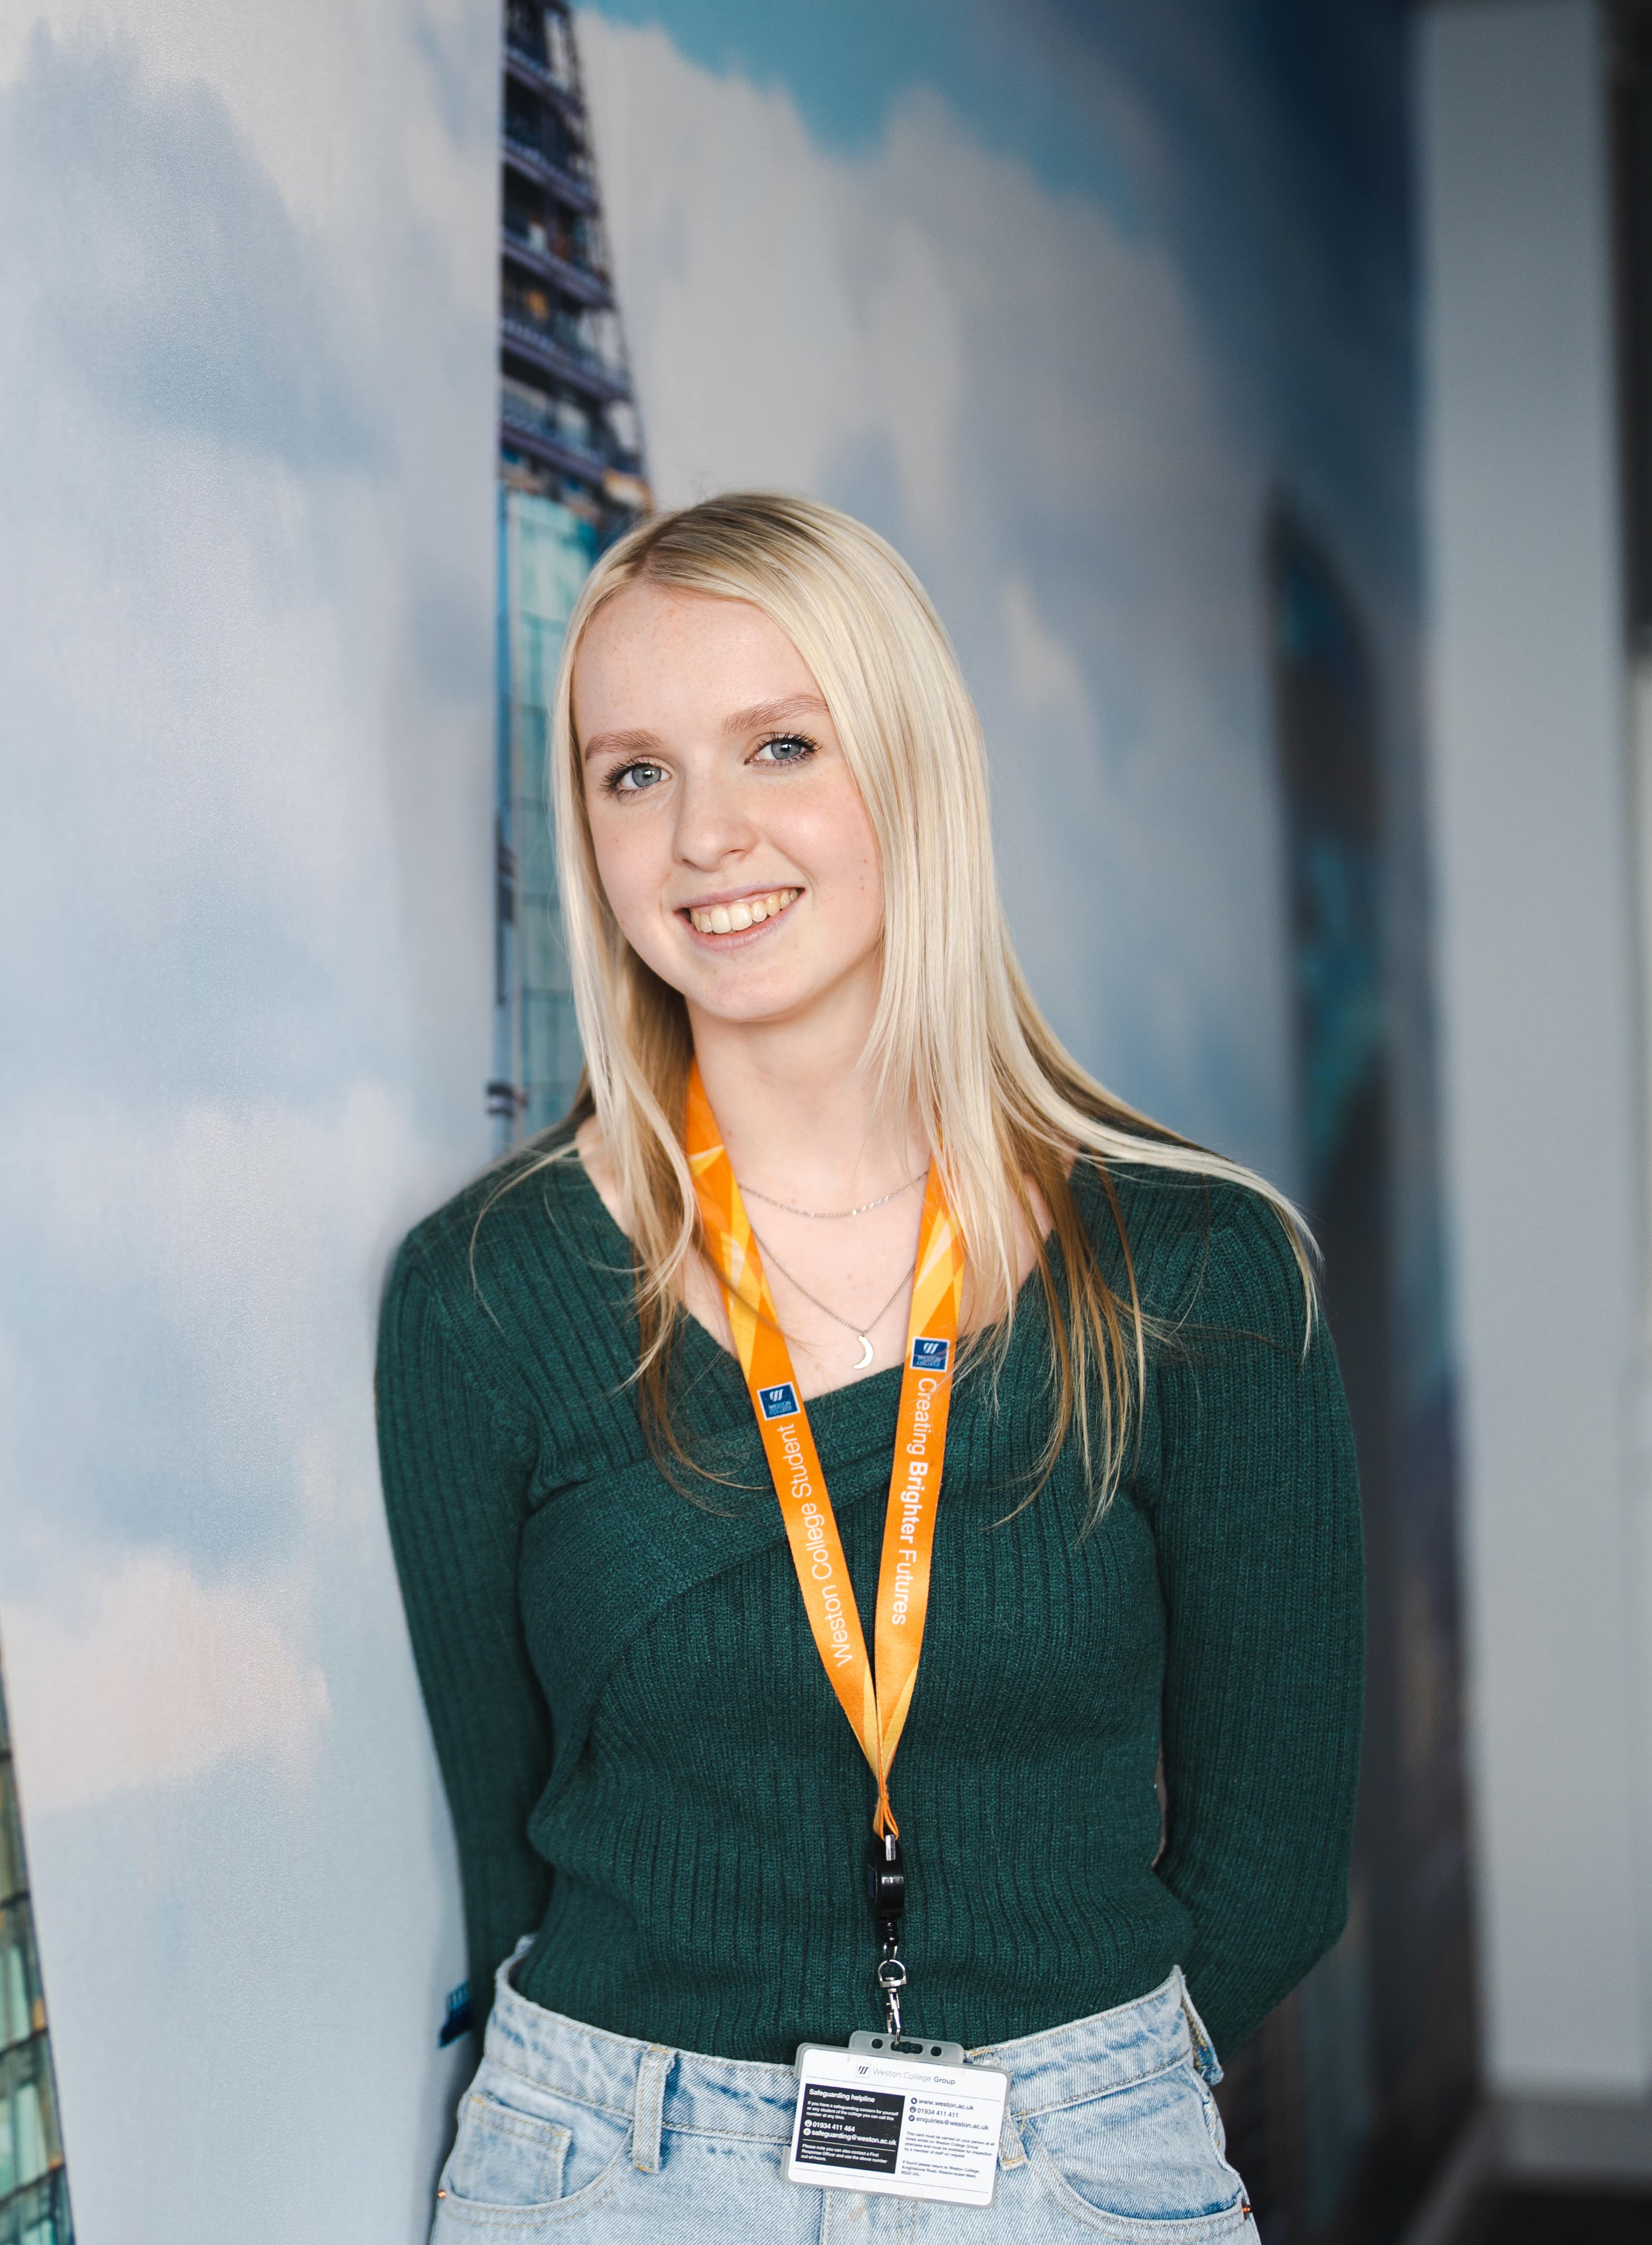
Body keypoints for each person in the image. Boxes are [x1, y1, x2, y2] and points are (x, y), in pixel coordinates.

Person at [376, 492, 1358, 2240]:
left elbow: (1272, 1861)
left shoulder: (1199, 1278)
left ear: (914, 773)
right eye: (635, 773)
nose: (705, 837)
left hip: (1062, 2165)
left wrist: (1080, 2109)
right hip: (612, 2168)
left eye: (779, 745)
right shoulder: (484, 1294)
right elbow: (503, 1853)